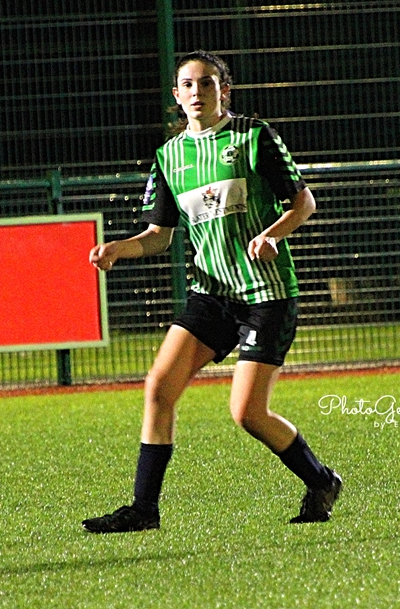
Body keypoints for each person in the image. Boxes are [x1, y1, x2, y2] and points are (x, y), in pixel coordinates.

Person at [82, 51, 342, 532]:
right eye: (188, 84)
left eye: (207, 83)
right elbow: (158, 236)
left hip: (265, 293)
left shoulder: (252, 137)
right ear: (176, 95)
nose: (197, 92)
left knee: (247, 413)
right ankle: (143, 510)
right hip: (211, 293)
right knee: (159, 387)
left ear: (225, 90)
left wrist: (273, 234)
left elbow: (303, 202)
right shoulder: (169, 157)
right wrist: (118, 248)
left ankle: (322, 480)